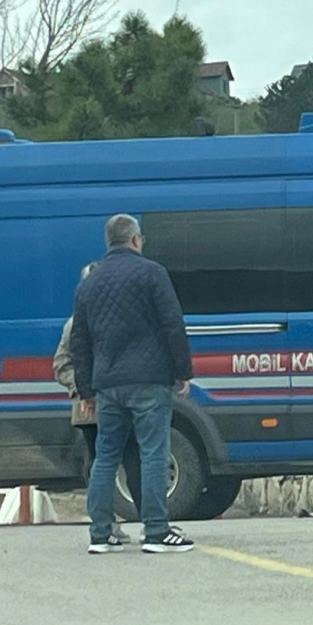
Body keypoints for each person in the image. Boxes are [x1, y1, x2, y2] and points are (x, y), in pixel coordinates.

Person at [70, 213, 194, 554]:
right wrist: (182, 371)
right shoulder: (152, 273)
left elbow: (79, 341)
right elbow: (172, 323)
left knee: (105, 456)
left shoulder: (89, 283)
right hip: (148, 379)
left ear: (109, 241)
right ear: (136, 239)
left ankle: (100, 534)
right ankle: (156, 531)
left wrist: (86, 390)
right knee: (153, 453)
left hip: (108, 384)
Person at [53, 267, 143, 536]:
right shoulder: (74, 325)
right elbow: (61, 364)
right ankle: (105, 523)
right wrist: (82, 390)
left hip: (120, 403)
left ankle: (147, 521)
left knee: (133, 461)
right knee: (101, 464)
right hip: (89, 410)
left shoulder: (118, 319)